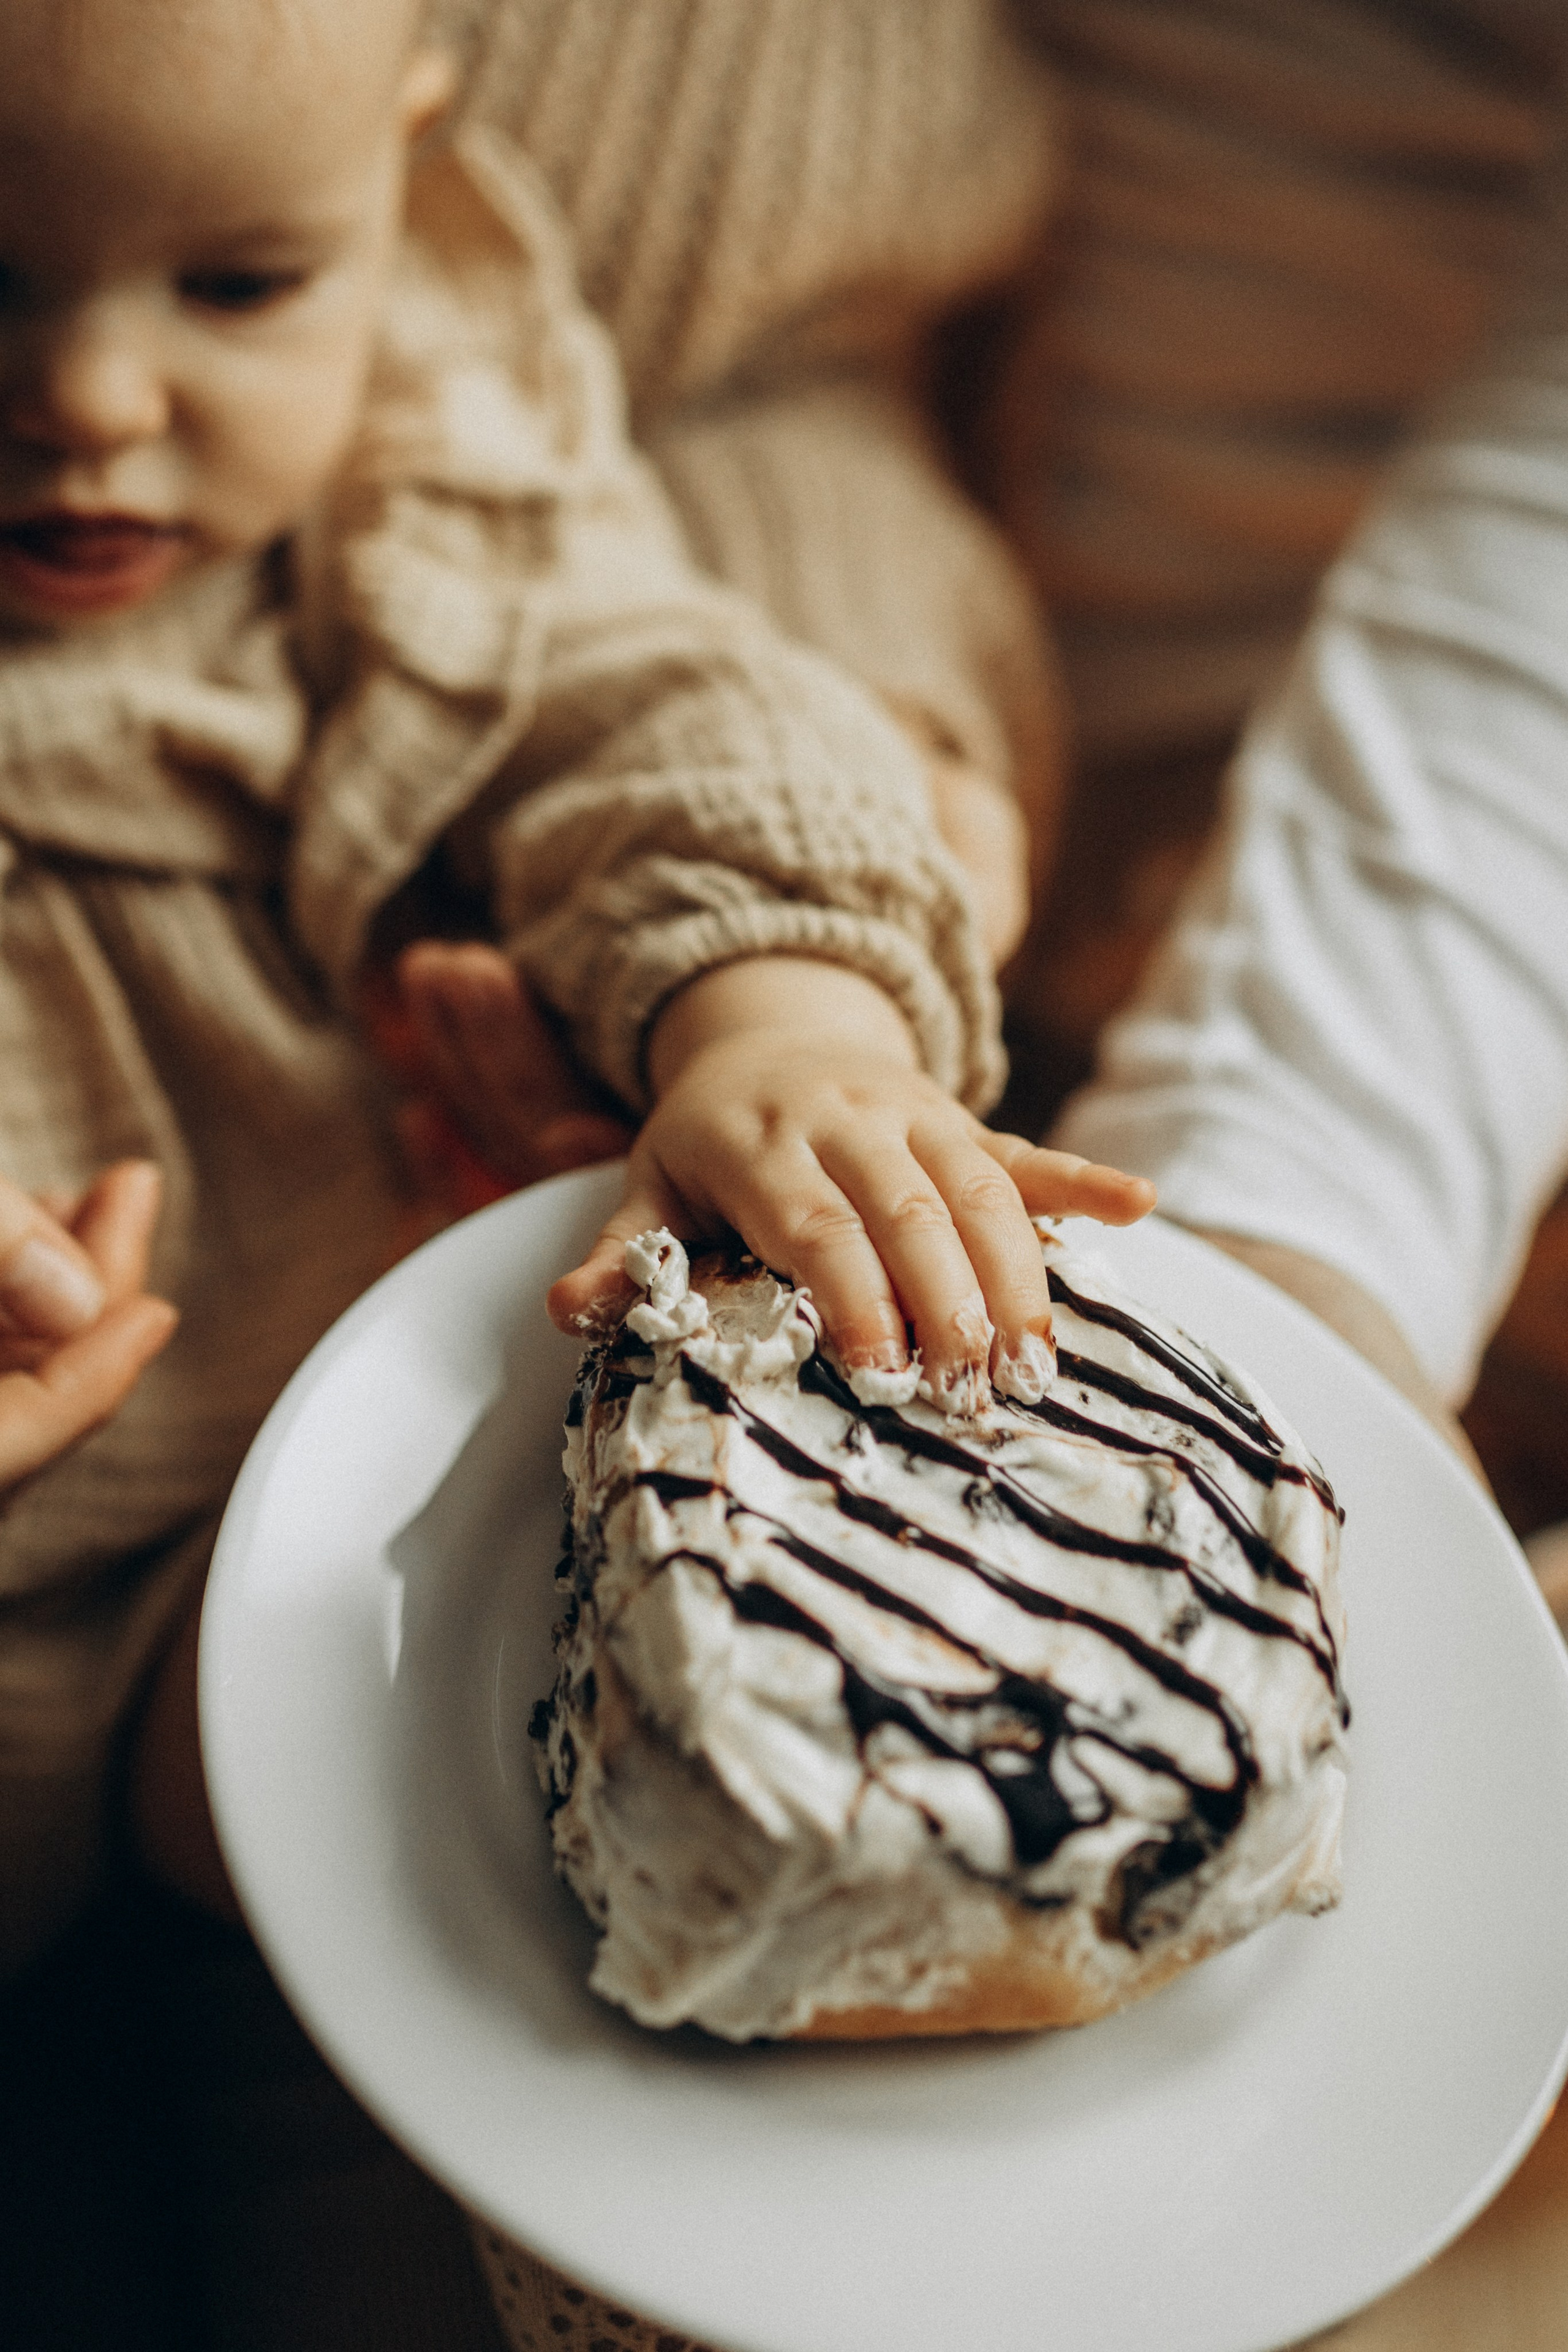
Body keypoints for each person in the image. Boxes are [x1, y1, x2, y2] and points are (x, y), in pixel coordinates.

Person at [0, 0, 1152, 2342]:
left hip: (461, 1468)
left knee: (648, 2011)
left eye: (239, 287)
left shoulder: (422, 442)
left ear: (401, 185)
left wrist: (784, 1008)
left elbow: (659, 697)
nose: (95, 402)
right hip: (66, 1626)